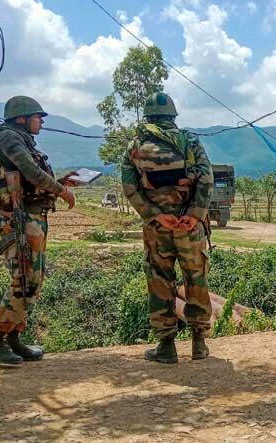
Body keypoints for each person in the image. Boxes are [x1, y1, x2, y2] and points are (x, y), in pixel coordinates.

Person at [121, 92, 214, 364]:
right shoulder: (190, 141)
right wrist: (195, 216)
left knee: (160, 279)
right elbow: (206, 180)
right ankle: (198, 343)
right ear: (173, 116)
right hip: (189, 225)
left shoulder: (135, 146)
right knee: (195, 277)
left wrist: (155, 215)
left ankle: (166, 345)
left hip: (157, 228)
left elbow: (130, 188)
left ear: (147, 117)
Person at [0, 96, 76, 364]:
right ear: (22, 118)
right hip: (18, 220)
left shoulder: (20, 140)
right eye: (38, 117)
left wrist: (60, 183)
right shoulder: (8, 139)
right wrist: (62, 191)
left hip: (31, 217)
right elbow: (32, 173)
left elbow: (29, 182)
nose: (42, 121)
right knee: (23, 278)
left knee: (32, 280)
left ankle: (13, 337)